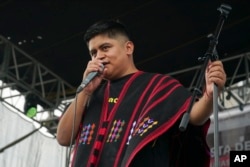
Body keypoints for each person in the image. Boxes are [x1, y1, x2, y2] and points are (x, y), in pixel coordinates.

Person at [56, 19, 226, 167]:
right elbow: (63, 138)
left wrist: (210, 96)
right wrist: (85, 91)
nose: (99, 56)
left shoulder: (157, 86)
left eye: (105, 48)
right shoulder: (90, 94)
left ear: (128, 47)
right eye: (93, 53)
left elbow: (194, 116)